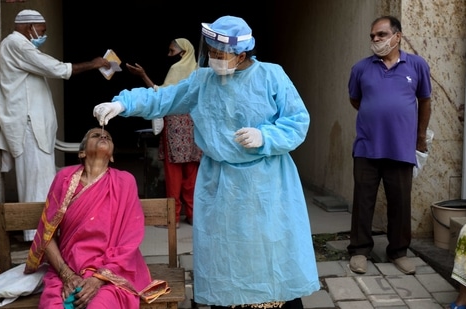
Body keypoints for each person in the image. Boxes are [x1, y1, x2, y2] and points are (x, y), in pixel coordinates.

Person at [93, 15, 319, 309]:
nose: (214, 59)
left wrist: (266, 136)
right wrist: (123, 103)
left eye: (220, 54)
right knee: (224, 252)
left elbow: (297, 120)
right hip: (220, 183)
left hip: (267, 184)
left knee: (269, 250)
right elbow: (164, 99)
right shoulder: (203, 81)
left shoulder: (271, 76)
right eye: (210, 52)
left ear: (241, 54)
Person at [0, 9, 110, 241]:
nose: (42, 35)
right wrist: (94, 63)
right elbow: (56, 68)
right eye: (42, 30)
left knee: (44, 183)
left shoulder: (20, 45)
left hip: (36, 128)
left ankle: (44, 236)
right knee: (35, 184)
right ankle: (35, 239)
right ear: (30, 27)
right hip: (28, 127)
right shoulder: (16, 44)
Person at [23, 128, 158, 308]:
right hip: (67, 269)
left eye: (108, 137)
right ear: (82, 152)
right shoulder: (64, 178)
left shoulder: (125, 182)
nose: (103, 136)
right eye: (96, 135)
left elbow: (130, 240)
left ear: (111, 156)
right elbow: (47, 235)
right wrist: (67, 275)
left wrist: (98, 279)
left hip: (111, 272)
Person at [346, 15, 432, 275]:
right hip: (367, 146)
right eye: (372, 36)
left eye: (381, 35)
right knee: (363, 201)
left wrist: (419, 138)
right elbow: (356, 100)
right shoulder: (360, 68)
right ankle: (360, 251)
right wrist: (378, 115)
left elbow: (425, 102)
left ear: (397, 36)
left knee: (400, 202)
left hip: (401, 147)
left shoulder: (416, 65)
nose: (375, 40)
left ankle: (398, 252)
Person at [126, 38, 202, 228]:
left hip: (175, 127)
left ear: (183, 52)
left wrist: (143, 76)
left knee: (173, 176)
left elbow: (161, 96)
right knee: (191, 174)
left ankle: (173, 218)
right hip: (194, 128)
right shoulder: (200, 71)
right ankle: (193, 215)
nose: (169, 56)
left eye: (171, 52)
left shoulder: (176, 70)